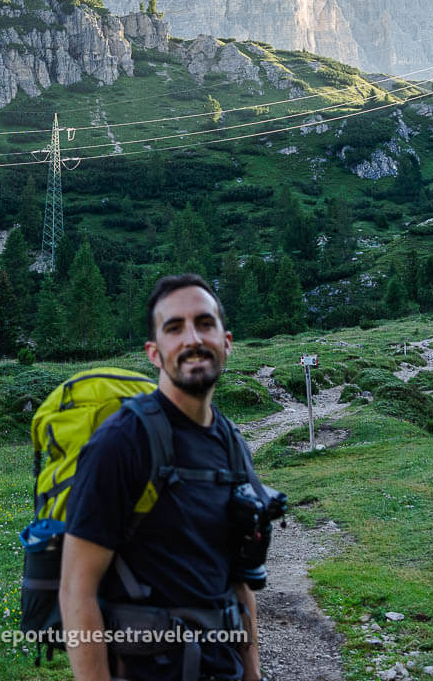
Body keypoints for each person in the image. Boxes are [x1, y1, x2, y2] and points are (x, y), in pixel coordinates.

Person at [60, 273, 265, 681]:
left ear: (226, 342)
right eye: (174, 328)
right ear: (154, 353)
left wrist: (254, 673)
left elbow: (238, 583)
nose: (192, 338)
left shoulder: (232, 444)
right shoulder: (121, 443)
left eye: (205, 323)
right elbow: (76, 590)